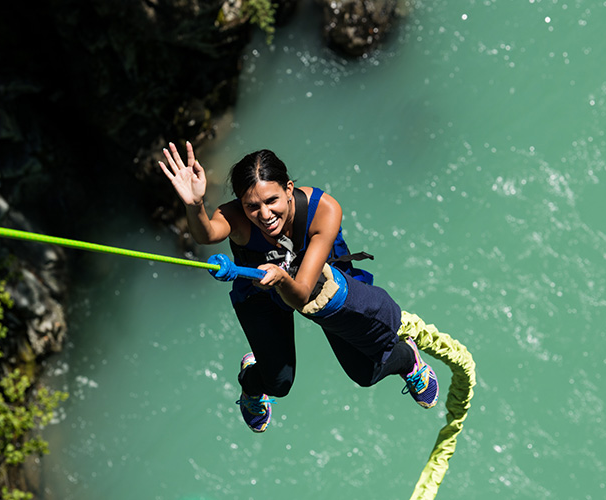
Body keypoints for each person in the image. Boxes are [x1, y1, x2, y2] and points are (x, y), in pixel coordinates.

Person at [159, 142, 439, 433]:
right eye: (251, 206)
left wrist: (281, 278)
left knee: (365, 373)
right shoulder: (240, 220)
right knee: (278, 384)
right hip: (260, 293)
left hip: (319, 285)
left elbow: (303, 294)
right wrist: (194, 205)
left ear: (289, 190)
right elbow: (207, 234)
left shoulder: (324, 210)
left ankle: (408, 360)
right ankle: (252, 383)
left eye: (272, 201)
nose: (264, 215)